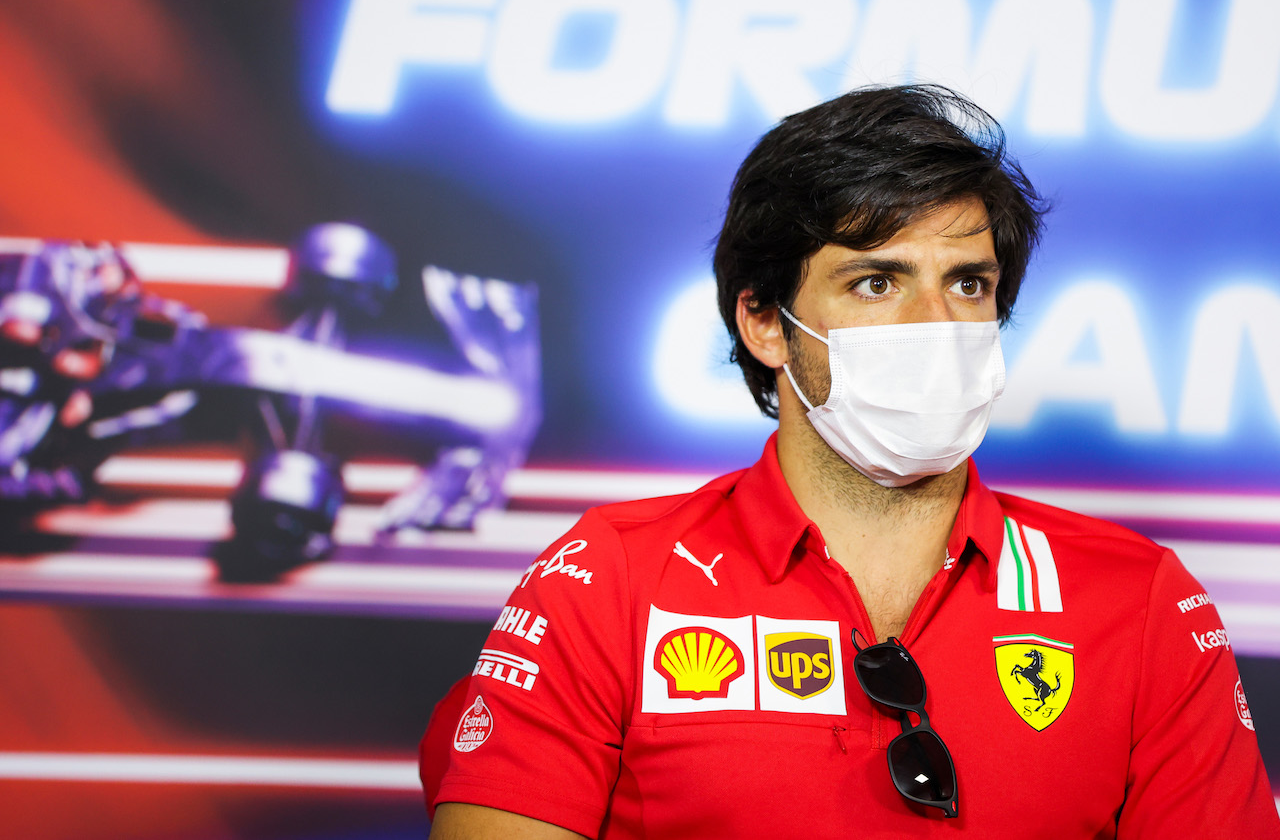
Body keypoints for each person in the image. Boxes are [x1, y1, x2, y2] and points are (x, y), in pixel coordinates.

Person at [420, 85, 1280, 838]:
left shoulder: (1143, 603)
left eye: (969, 283)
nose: (934, 323)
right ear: (764, 323)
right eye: (878, 281)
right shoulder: (607, 579)